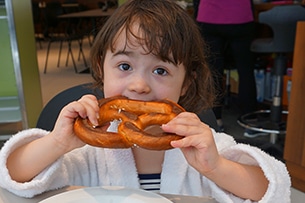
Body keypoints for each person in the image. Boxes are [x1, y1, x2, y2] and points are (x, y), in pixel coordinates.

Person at [0, 0, 290, 202]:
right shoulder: (87, 151)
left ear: (186, 81)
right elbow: (11, 176)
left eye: (160, 70)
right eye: (125, 66)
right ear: (102, 67)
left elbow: (272, 191)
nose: (139, 86)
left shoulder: (202, 147)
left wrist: (216, 167)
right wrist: (57, 144)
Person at [195, 0, 261, 137]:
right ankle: (250, 121)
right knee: (245, 70)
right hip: (240, 16)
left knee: (213, 72)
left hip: (209, 16)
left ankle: (215, 120)